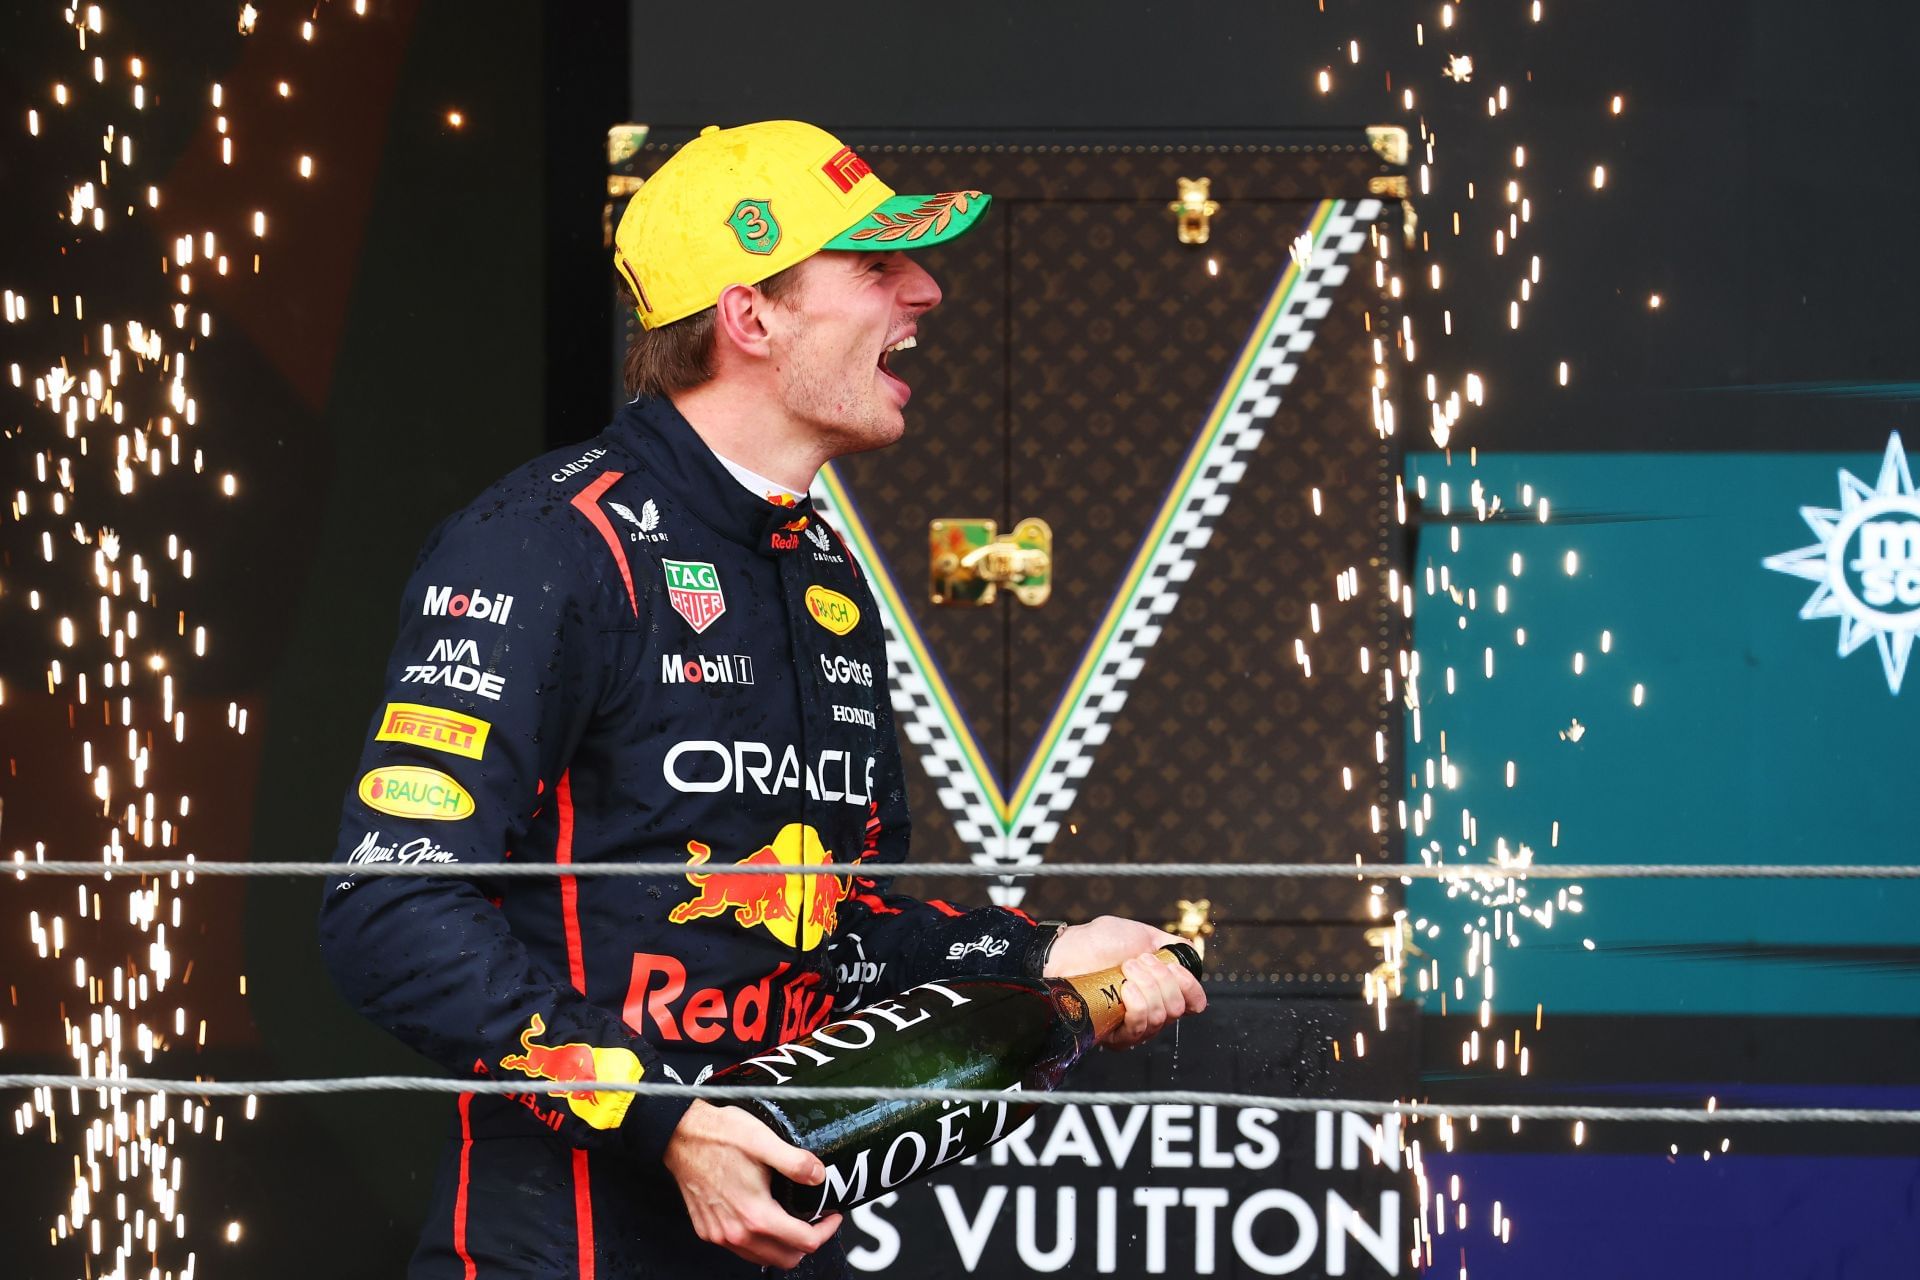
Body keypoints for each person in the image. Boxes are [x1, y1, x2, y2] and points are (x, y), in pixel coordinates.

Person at [318, 119, 1205, 1279]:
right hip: (555, 1249)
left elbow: (828, 924)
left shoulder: (825, 572)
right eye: (877, 266)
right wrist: (669, 1118)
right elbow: (388, 909)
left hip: (778, 1241)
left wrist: (1038, 951)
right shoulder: (542, 544)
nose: (926, 291)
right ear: (751, 316)